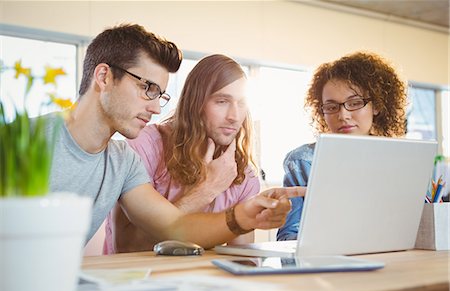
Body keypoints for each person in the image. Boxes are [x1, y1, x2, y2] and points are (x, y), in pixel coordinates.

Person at [44, 23, 305, 250]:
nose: (157, 108)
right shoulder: (22, 140)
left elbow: (173, 226)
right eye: (147, 88)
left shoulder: (121, 160)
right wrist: (210, 189)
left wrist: (244, 217)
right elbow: (133, 246)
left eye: (160, 95)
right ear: (104, 76)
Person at [104, 54, 260, 253]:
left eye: (242, 103)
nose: (234, 116)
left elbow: (243, 260)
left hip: (203, 281)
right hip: (136, 280)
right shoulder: (146, 147)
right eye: (222, 101)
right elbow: (127, 247)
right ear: (195, 103)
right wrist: (207, 189)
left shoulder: (242, 175)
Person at [277, 52, 407, 241]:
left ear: (377, 106)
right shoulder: (303, 162)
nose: (343, 115)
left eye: (354, 103)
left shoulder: (403, 160)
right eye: (331, 107)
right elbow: (288, 236)